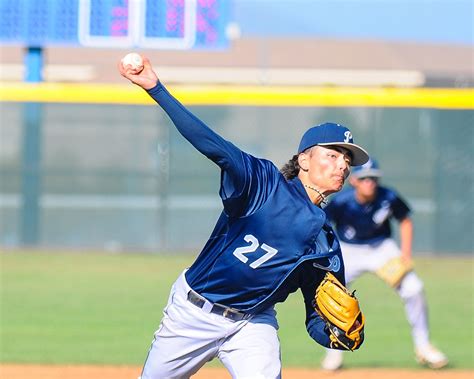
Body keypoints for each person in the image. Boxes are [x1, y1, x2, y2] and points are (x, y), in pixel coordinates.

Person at [119, 56, 369, 379]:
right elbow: (213, 145)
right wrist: (156, 88)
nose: (342, 165)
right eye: (332, 155)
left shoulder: (325, 243)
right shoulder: (263, 183)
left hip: (253, 321)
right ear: (304, 160)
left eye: (347, 159)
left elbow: (315, 317)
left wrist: (338, 335)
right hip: (194, 311)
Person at [320, 158, 448, 371]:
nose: (369, 182)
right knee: (334, 298)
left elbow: (405, 220)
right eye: (364, 178)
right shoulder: (342, 202)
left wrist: (405, 253)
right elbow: (322, 225)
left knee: (414, 288)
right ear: (354, 181)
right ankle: (333, 354)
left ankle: (424, 347)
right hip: (349, 250)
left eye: (373, 178)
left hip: (382, 248)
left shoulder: (388, 197)